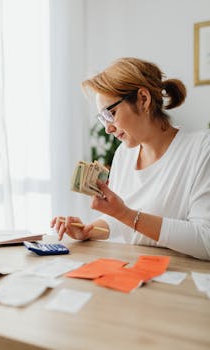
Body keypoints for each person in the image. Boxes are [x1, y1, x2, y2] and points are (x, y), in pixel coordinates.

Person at [50, 57, 210, 260]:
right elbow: (120, 222)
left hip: (184, 281)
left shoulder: (201, 149)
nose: (107, 128)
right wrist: (88, 230)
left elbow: (206, 240)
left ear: (143, 99)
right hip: (136, 273)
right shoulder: (124, 155)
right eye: (102, 118)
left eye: (111, 113)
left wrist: (126, 214)